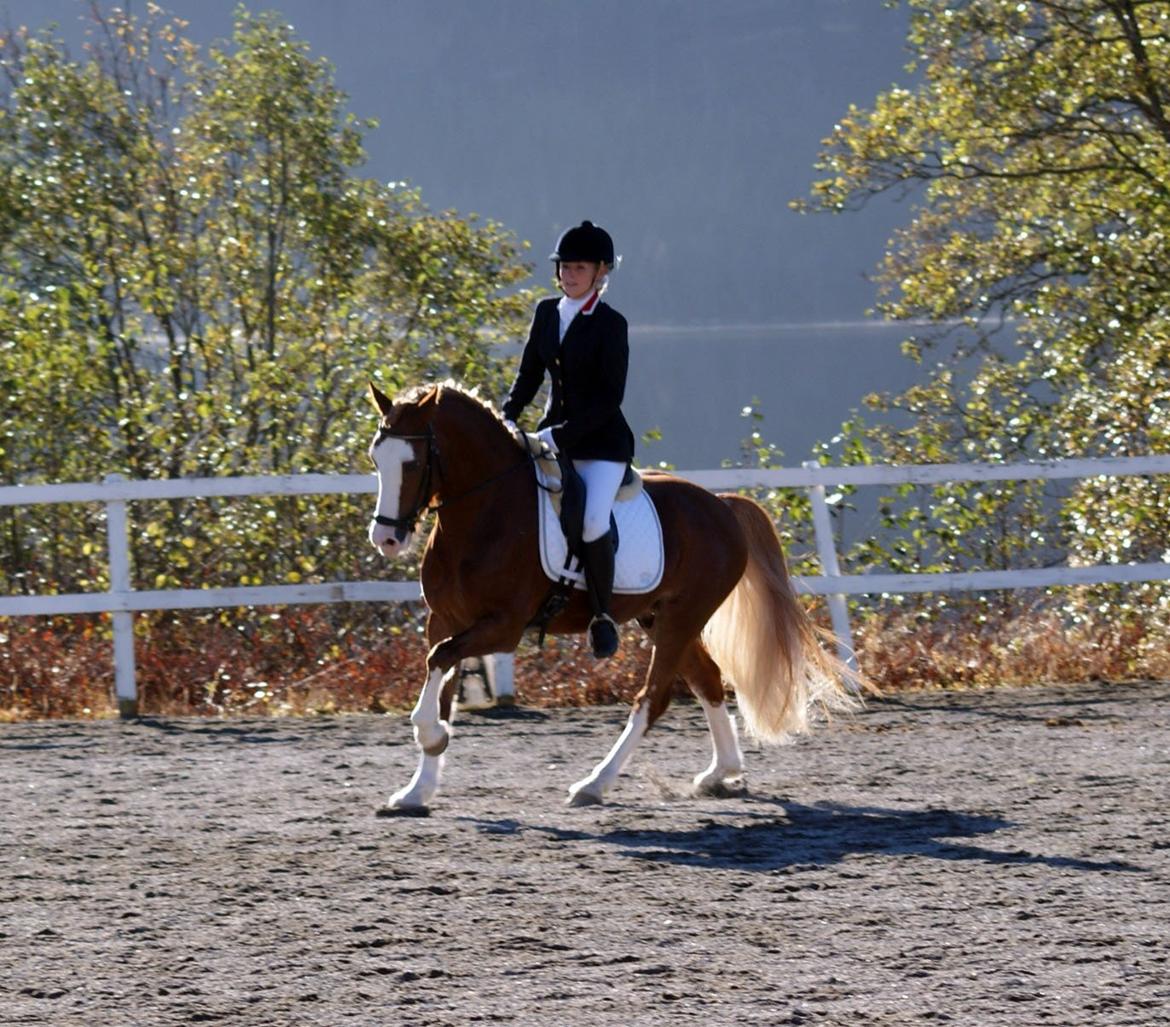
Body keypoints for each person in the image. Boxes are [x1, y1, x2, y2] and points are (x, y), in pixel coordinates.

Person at [502, 220, 635, 659]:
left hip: (601, 445)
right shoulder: (546, 312)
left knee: (593, 522)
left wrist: (561, 433)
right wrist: (504, 416)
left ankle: (602, 615)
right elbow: (528, 376)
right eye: (564, 267)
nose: (569, 275)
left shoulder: (611, 324)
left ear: (600, 272)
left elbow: (608, 399)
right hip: (552, 436)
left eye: (579, 268)